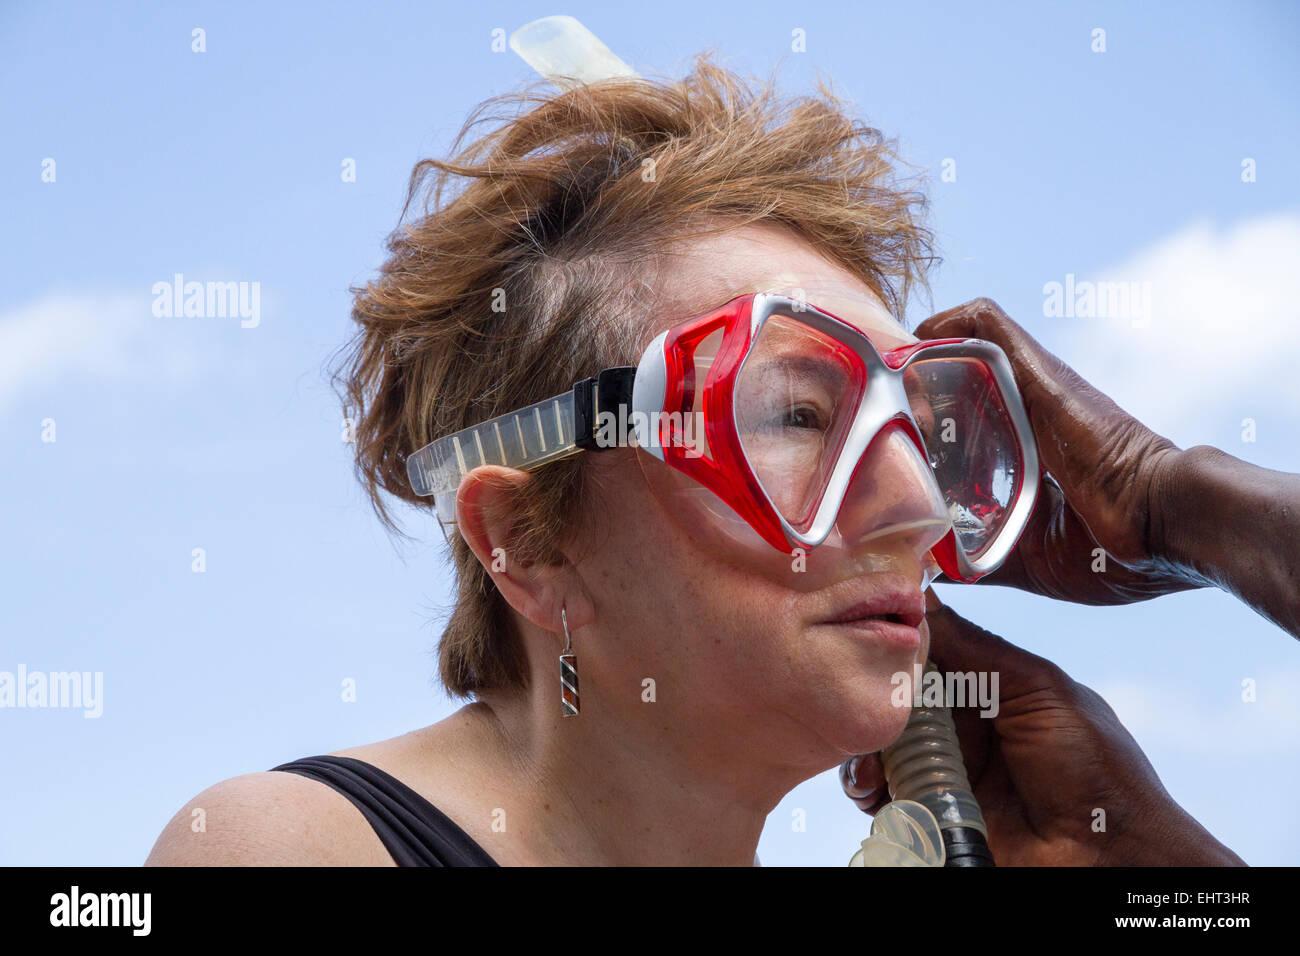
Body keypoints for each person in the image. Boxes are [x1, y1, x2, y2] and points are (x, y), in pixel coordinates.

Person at [146, 58, 1299, 867]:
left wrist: (1165, 502)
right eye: (799, 415)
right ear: (531, 541)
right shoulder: (295, 847)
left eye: (922, 425)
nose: (914, 509)